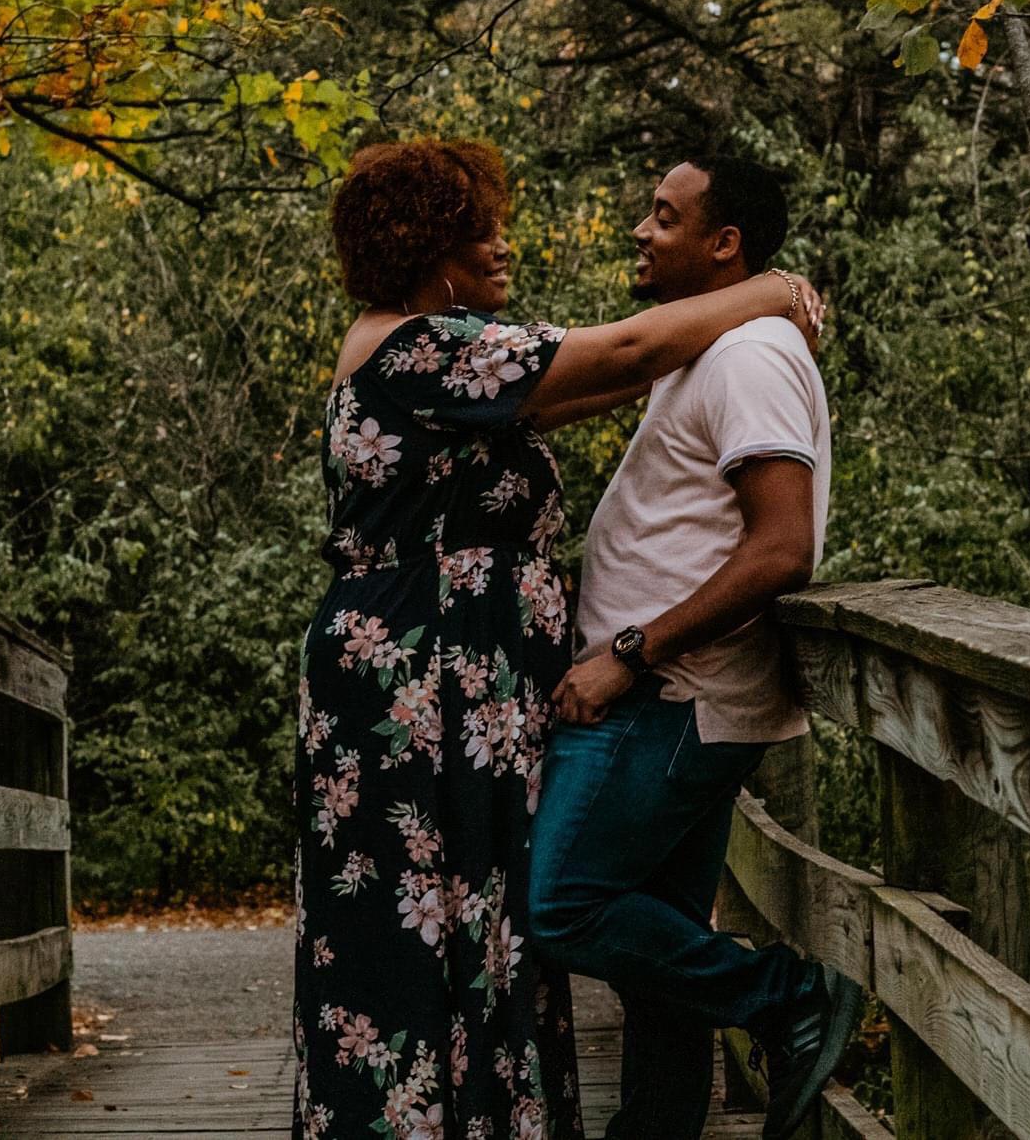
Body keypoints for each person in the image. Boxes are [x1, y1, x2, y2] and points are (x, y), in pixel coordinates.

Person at [293, 138, 821, 1140]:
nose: (503, 246)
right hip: (415, 681)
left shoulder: (449, 367)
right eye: (479, 232)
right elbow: (621, 354)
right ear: (425, 249)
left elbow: (607, 379)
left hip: (456, 683)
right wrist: (771, 292)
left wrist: (738, 314)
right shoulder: (420, 348)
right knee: (422, 919)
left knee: (482, 914)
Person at [526, 155, 859, 1140]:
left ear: (723, 244)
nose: (641, 229)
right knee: (657, 933)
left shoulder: (750, 357)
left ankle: (789, 997)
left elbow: (782, 547)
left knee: (563, 904)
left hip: (669, 695)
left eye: (663, 216)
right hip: (670, 692)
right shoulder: (711, 346)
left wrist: (629, 653)